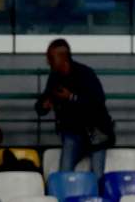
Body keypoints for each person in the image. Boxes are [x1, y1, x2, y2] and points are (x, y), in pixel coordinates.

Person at [34, 38, 115, 176]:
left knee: (97, 175)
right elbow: (42, 104)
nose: (48, 62)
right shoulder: (55, 77)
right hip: (72, 133)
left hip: (96, 132)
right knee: (64, 172)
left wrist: (71, 97)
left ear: (62, 58)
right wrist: (44, 105)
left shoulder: (85, 74)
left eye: (51, 58)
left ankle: (97, 198)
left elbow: (98, 101)